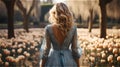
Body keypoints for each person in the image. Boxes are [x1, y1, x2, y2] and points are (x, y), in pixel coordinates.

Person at [39, 2, 82, 67]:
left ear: (54, 13)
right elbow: (74, 49)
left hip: (53, 60)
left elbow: (47, 49)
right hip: (68, 60)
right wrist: (78, 65)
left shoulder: (48, 28)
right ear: (67, 13)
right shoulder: (73, 29)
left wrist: (42, 65)